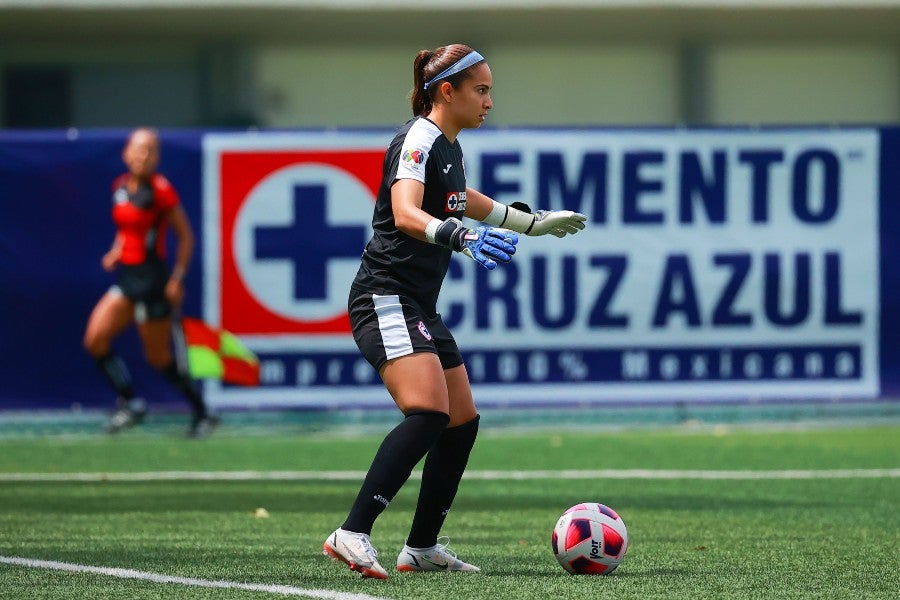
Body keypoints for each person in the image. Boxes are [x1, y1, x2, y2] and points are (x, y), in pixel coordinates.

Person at [322, 44, 587, 579]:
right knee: (428, 414)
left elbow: (461, 197)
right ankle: (351, 533)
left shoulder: (447, 145)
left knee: (461, 420)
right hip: (385, 296)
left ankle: (420, 548)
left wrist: (531, 223)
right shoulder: (418, 139)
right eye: (481, 90)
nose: (490, 101)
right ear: (448, 91)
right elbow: (404, 212)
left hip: (416, 303)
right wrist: (460, 236)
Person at [82, 127, 217, 439]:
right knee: (95, 340)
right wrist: (116, 251)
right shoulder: (120, 188)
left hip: (152, 281)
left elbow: (185, 235)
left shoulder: (160, 190)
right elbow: (127, 230)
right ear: (126, 153)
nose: (143, 155)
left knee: (158, 357)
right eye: (138, 149)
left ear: (157, 157)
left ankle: (203, 411)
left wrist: (178, 278)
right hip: (127, 279)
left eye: (151, 150)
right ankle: (131, 402)